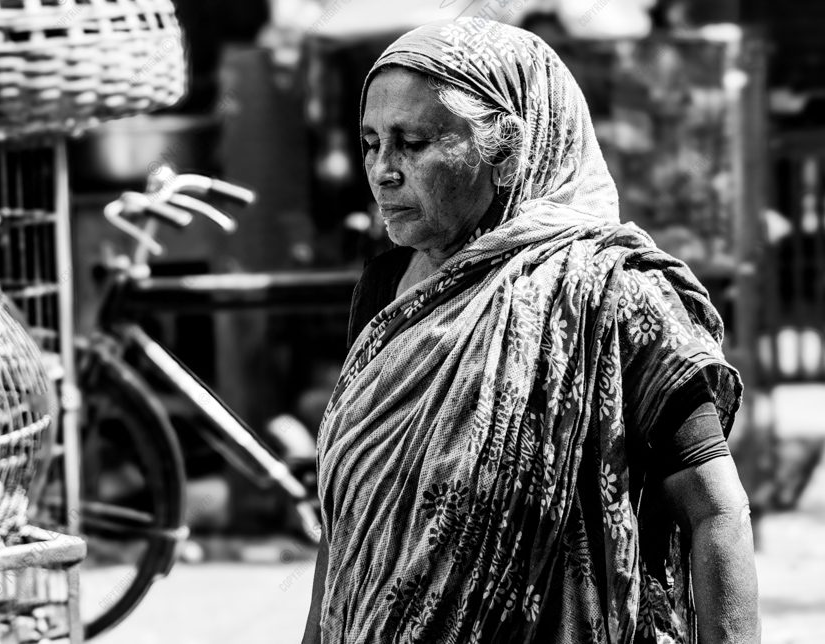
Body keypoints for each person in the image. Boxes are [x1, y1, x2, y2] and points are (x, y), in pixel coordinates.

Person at [303, 18, 759, 644]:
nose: (383, 170)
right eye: (371, 142)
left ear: (509, 149)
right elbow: (348, 521)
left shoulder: (609, 295)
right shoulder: (388, 291)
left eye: (412, 143)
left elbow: (716, 511)